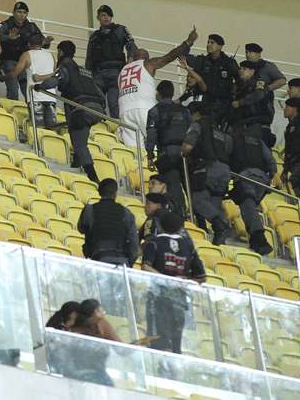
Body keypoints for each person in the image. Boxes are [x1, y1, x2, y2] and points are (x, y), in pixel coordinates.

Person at [117, 27, 198, 147]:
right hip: (144, 109)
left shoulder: (122, 71)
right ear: (146, 58)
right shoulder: (148, 63)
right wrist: (188, 43)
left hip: (124, 111)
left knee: (135, 150)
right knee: (154, 146)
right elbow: (170, 56)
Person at [36, 48, 106, 182]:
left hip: (81, 109)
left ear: (61, 52)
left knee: (79, 145)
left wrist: (40, 86)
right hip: (97, 109)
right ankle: (76, 163)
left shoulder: (66, 68)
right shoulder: (85, 71)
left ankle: (93, 178)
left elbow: (51, 82)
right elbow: (99, 90)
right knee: (81, 139)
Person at [142, 212, 206, 354]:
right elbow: (201, 277)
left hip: (158, 297)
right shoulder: (188, 246)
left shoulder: (154, 242)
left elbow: (146, 267)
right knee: (176, 344)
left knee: (158, 340)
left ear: (160, 225)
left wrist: (165, 280)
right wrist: (182, 281)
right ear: (180, 228)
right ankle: (172, 371)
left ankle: (161, 372)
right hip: (179, 300)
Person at [181, 101, 233, 245]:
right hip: (224, 170)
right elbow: (228, 149)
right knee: (215, 204)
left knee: (197, 200)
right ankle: (219, 238)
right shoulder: (220, 131)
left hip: (207, 167)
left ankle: (220, 225)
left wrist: (182, 154)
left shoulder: (198, 125)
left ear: (196, 113)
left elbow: (187, 146)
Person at [228, 121, 276, 255]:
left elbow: (226, 157)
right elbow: (272, 164)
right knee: (249, 207)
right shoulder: (259, 142)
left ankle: (260, 240)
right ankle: (256, 241)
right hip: (261, 180)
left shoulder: (234, 140)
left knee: (247, 206)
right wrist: (269, 177)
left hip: (245, 177)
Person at [146, 80, 191, 218]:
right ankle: (198, 220)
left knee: (173, 184)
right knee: (189, 185)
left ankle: (180, 213)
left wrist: (149, 155)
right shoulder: (185, 111)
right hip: (186, 153)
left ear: (158, 94)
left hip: (167, 153)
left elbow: (152, 135)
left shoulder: (155, 110)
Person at [85, 5, 138, 118]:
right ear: (98, 17)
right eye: (103, 15)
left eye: (108, 15)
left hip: (116, 73)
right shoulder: (94, 36)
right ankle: (100, 127)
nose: (106, 18)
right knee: (97, 102)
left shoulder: (120, 30)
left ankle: (117, 128)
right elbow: (89, 58)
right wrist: (88, 76)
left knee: (114, 103)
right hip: (98, 74)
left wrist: (130, 60)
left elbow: (132, 46)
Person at [78, 178, 139, 266]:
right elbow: (134, 243)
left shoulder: (90, 210)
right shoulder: (126, 213)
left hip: (98, 260)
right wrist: (129, 262)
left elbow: (81, 229)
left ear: (99, 192)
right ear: (115, 193)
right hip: (122, 262)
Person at [0, 1, 51, 99]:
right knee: (13, 90)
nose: (22, 15)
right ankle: (10, 111)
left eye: (24, 13)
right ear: (13, 13)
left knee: (28, 92)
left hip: (25, 62)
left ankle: (31, 111)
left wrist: (46, 42)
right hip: (8, 60)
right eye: (19, 12)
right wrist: (8, 37)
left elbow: (41, 44)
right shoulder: (5, 24)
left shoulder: (31, 26)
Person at [2, 33, 57, 127]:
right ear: (42, 42)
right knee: (52, 128)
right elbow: (54, 72)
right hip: (51, 96)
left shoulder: (27, 55)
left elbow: (15, 72)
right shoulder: (51, 55)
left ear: (28, 44)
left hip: (35, 97)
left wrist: (4, 76)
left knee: (39, 128)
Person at [185, 34, 240, 128]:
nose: (208, 45)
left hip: (222, 103)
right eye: (208, 42)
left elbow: (240, 80)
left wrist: (234, 93)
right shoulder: (202, 61)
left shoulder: (229, 63)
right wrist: (189, 42)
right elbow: (182, 55)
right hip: (204, 101)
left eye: (212, 43)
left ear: (220, 46)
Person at [66, 299, 122, 386]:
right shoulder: (100, 323)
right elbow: (122, 350)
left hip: (74, 376)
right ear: (96, 311)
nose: (104, 314)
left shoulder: (73, 328)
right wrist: (142, 343)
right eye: (103, 311)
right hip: (97, 376)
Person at [230, 61, 276, 147]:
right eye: (240, 69)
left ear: (252, 71)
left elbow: (258, 95)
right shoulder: (240, 86)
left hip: (258, 124)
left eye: (244, 69)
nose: (241, 71)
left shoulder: (259, 83)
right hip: (244, 124)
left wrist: (240, 102)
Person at [242, 42, 286, 125]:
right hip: (246, 106)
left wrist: (268, 88)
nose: (247, 55)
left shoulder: (267, 66)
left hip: (262, 108)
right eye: (246, 52)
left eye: (250, 52)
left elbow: (282, 80)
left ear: (258, 54)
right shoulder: (244, 67)